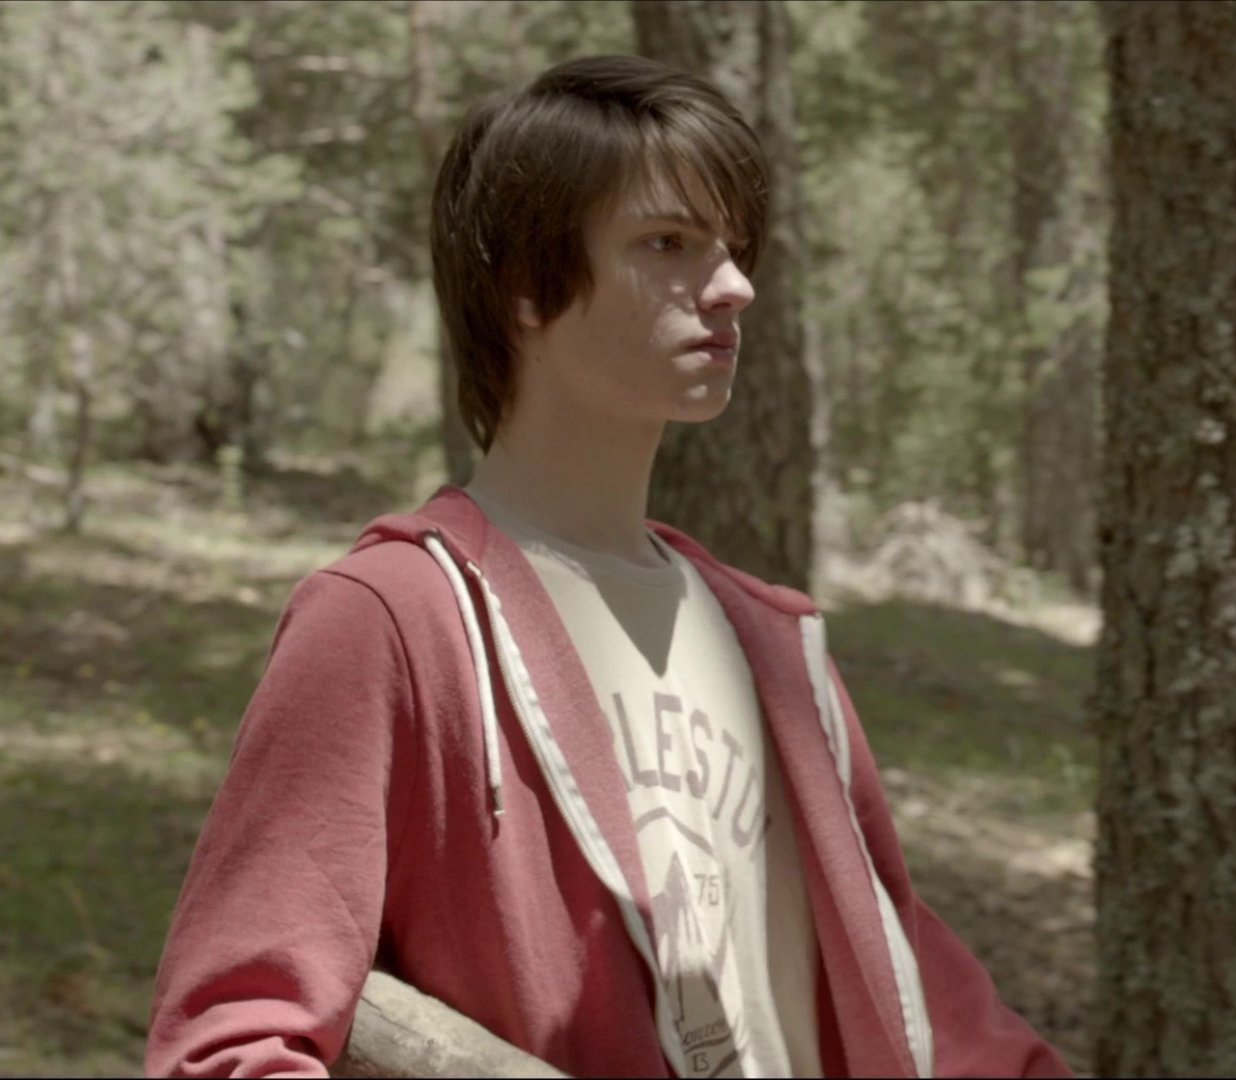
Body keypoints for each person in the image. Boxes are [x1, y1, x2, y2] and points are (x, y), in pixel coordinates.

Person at [145, 54, 1071, 1079]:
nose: (735, 286)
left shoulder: (775, 642)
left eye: (732, 247)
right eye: (668, 243)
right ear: (525, 288)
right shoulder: (396, 622)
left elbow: (922, 1001)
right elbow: (230, 1040)